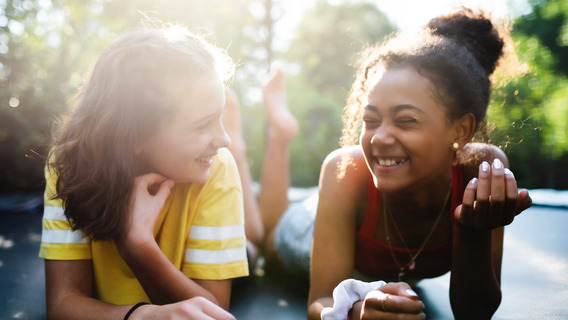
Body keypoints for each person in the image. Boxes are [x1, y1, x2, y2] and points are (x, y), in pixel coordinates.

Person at [306, 8, 532, 320]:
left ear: (461, 130)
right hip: (302, 232)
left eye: (406, 121)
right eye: (370, 120)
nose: (380, 137)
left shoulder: (481, 171)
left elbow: (475, 313)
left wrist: (471, 230)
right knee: (275, 233)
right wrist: (354, 312)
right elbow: (319, 300)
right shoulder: (344, 170)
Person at [39, 24, 248, 319]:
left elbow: (212, 310)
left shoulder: (216, 166)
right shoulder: (70, 166)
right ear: (135, 134)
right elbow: (62, 305)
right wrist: (144, 316)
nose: (221, 140)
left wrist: (137, 245)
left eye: (220, 118)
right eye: (203, 125)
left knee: (255, 239)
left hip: (230, 241)